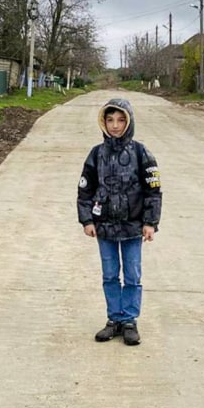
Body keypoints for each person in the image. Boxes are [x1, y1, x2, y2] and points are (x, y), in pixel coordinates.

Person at [77, 97, 162, 346]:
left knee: (132, 275)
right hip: (104, 228)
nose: (115, 125)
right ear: (103, 122)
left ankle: (129, 320)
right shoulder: (96, 154)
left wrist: (150, 222)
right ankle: (114, 318)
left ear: (130, 121)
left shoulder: (141, 153)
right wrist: (87, 220)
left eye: (121, 120)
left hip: (133, 227)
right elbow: (85, 189)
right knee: (110, 274)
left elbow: (153, 191)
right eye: (110, 120)